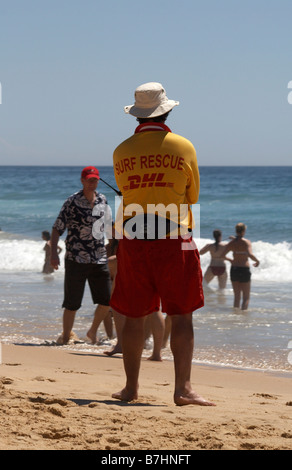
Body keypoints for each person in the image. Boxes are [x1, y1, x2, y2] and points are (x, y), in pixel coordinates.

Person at [110, 82, 215, 406]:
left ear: (137, 116)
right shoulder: (183, 147)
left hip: (133, 238)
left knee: (133, 315)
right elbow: (192, 197)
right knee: (182, 315)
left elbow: (127, 197)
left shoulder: (121, 151)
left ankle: (130, 388)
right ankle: (182, 388)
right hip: (174, 239)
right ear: (167, 110)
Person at [50, 166, 113, 345]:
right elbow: (57, 229)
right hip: (76, 258)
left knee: (107, 301)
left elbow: (108, 226)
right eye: (89, 179)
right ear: (83, 180)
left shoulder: (102, 199)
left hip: (99, 258)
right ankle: (65, 336)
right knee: (72, 304)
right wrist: (53, 254)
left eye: (95, 180)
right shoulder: (72, 201)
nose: (92, 183)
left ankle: (92, 332)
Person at [222, 223, 260, 310]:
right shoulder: (246, 242)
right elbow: (250, 254)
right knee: (246, 297)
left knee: (237, 296)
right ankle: (243, 318)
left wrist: (231, 260)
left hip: (234, 269)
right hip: (244, 269)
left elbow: (222, 255)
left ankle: (236, 318)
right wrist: (257, 261)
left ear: (236, 231)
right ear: (243, 231)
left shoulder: (232, 243)